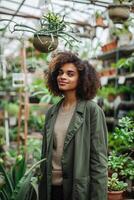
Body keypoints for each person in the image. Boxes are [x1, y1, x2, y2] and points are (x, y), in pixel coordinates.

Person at [39, 51, 108, 200]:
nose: (62, 77)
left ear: (82, 79)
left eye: (70, 74)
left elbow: (99, 162)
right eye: (60, 73)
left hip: (77, 189)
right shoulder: (52, 112)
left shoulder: (92, 111)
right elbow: (45, 155)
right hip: (51, 189)